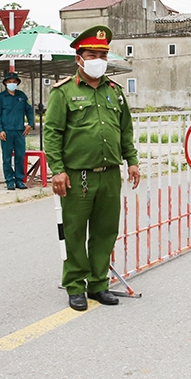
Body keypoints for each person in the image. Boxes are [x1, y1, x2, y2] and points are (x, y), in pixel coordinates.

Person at [44, 25, 140, 311]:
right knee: (74, 232)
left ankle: (98, 284)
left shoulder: (115, 92)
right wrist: (57, 169)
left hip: (109, 174)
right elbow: (52, 133)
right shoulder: (63, 93)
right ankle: (75, 285)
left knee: (105, 231)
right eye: (92, 53)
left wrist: (132, 160)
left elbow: (125, 130)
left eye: (103, 54)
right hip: (77, 176)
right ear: (79, 58)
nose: (98, 59)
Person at [0, 70, 35, 190]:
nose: (12, 83)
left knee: (20, 156)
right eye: (9, 81)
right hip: (6, 131)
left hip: (19, 131)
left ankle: (19, 180)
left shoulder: (21, 96)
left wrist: (30, 124)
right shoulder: (0, 97)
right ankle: (9, 180)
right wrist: (0, 130)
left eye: (14, 81)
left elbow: (29, 110)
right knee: (7, 158)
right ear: (5, 83)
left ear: (17, 83)